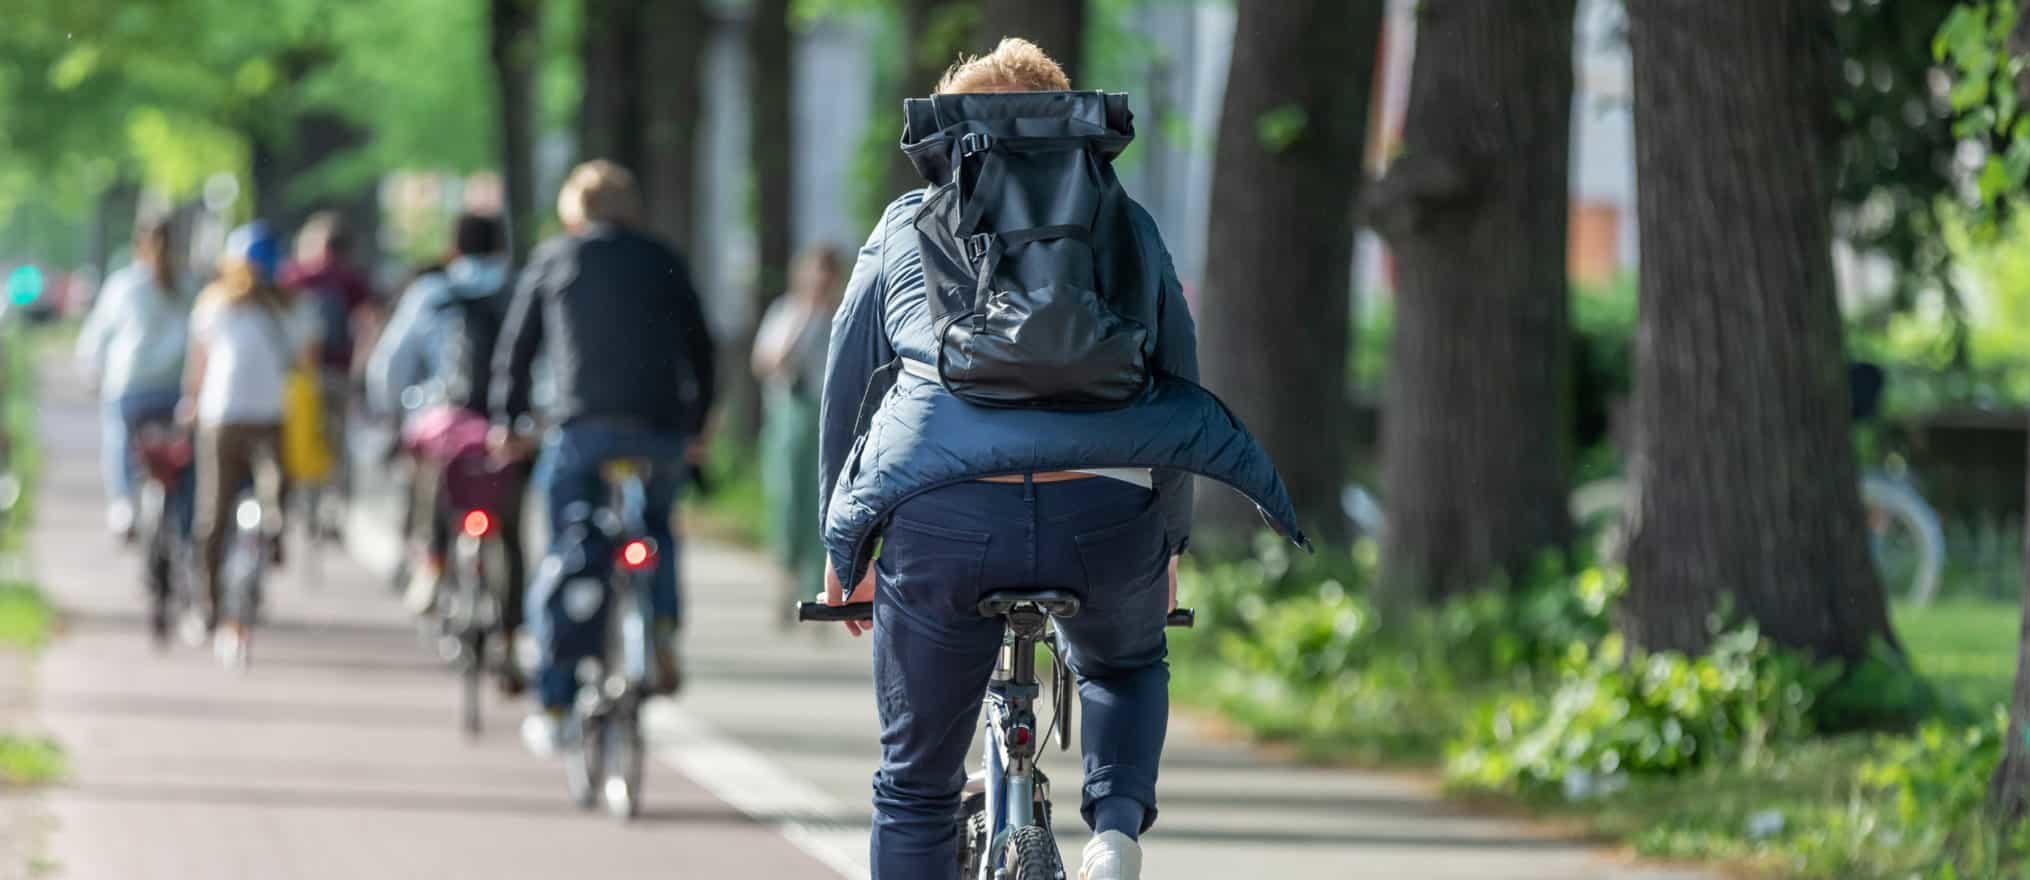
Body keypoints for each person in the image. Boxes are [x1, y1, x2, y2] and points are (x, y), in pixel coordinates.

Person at [816, 39, 1304, 880]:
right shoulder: (1122, 219)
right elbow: (1176, 381)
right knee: (1124, 657)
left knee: (915, 790)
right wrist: (1169, 545)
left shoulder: (909, 221)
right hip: (1105, 506)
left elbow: (847, 378)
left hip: (944, 506)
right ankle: (1114, 832)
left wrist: (843, 546)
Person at [489, 160, 718, 755]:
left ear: (574, 210)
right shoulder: (661, 258)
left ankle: (557, 698)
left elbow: (517, 348)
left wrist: (506, 419)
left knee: (570, 545)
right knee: (656, 526)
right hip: (659, 431)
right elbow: (701, 343)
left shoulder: (555, 258)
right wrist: (697, 425)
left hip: (581, 429)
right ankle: (662, 626)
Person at [368, 213, 528, 690]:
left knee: (434, 483)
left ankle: (432, 563)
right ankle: (511, 636)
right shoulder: (519, 290)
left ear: (454, 248)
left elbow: (390, 365)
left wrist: (397, 414)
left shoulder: (431, 293)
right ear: (500, 247)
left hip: (444, 419)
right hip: (503, 429)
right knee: (513, 533)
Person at [183, 222, 317, 665]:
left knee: (232, 510)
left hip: (243, 419)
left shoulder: (259, 307)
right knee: (218, 512)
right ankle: (211, 598)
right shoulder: (229, 306)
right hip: (238, 419)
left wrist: (192, 398)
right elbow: (304, 359)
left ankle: (224, 590)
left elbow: (200, 363)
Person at [76, 219, 190, 538]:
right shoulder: (191, 283)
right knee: (187, 452)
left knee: (118, 434)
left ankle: (123, 503)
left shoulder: (124, 284)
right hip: (177, 389)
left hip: (131, 386)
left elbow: (96, 336)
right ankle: (187, 516)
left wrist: (90, 371)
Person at [751, 244, 843, 624]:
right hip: (790, 414)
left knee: (822, 508)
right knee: (788, 502)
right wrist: (806, 317)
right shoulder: (787, 312)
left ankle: (815, 588)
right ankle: (784, 583)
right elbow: (768, 363)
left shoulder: (844, 315)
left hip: (828, 418)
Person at [279, 211, 379, 525]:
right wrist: (361, 363)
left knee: (303, 437)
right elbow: (370, 322)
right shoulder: (352, 278)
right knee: (338, 440)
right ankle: (335, 506)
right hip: (339, 371)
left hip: (300, 375)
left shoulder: (296, 276)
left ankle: (305, 503)